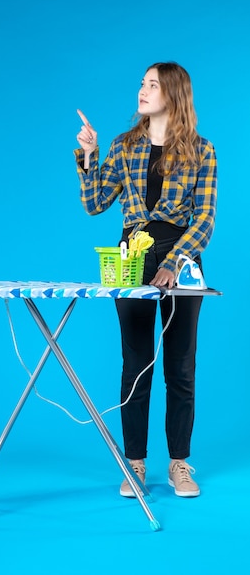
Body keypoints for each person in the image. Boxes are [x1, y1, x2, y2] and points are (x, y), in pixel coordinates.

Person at [74, 62, 217, 498]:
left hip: (181, 255)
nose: (142, 90)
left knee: (181, 367)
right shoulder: (124, 145)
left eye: (151, 85)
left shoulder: (202, 150)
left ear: (172, 94)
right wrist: (89, 155)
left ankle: (179, 465)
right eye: (141, 83)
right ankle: (133, 464)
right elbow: (95, 203)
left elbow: (205, 219)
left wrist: (173, 262)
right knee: (136, 364)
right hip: (131, 256)